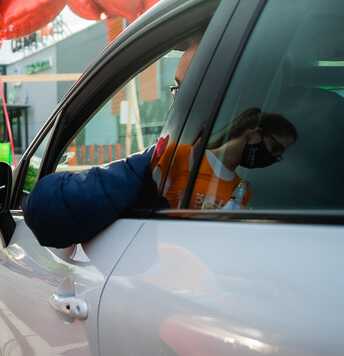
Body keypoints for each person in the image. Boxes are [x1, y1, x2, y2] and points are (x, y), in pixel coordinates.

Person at [22, 37, 202, 248]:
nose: (174, 106)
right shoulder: (204, 160)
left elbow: (46, 208)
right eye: (176, 91)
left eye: (183, 91)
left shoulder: (174, 162)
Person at [153, 107, 296, 210]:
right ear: (255, 133)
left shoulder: (242, 192)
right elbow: (147, 206)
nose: (273, 157)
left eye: (278, 156)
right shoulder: (181, 156)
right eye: (276, 148)